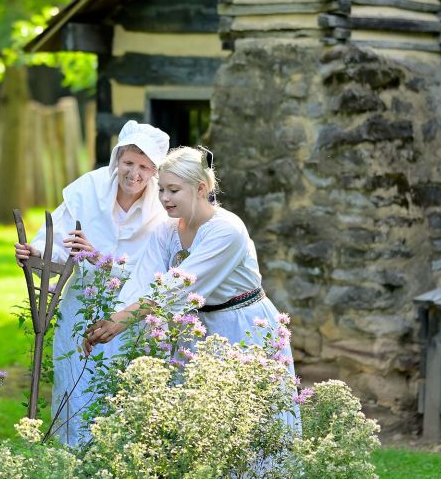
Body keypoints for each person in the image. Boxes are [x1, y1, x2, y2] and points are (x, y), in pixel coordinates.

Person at [85, 145, 300, 432]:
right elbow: (143, 281)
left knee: (247, 422)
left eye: (173, 190)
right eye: (161, 189)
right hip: (196, 331)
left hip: (242, 328)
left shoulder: (227, 230)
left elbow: (180, 287)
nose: (164, 198)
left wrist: (125, 319)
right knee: (197, 424)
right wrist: (111, 321)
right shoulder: (166, 230)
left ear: (200, 188)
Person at [15, 119, 170, 447]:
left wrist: (99, 257)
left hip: (131, 318)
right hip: (81, 309)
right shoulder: (89, 190)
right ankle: (73, 467)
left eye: (144, 166)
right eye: (128, 163)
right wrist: (35, 254)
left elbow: (154, 275)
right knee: (76, 389)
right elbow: (56, 243)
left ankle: (118, 470)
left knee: (122, 396)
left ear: (155, 171)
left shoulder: (163, 208)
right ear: (117, 159)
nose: (135, 174)